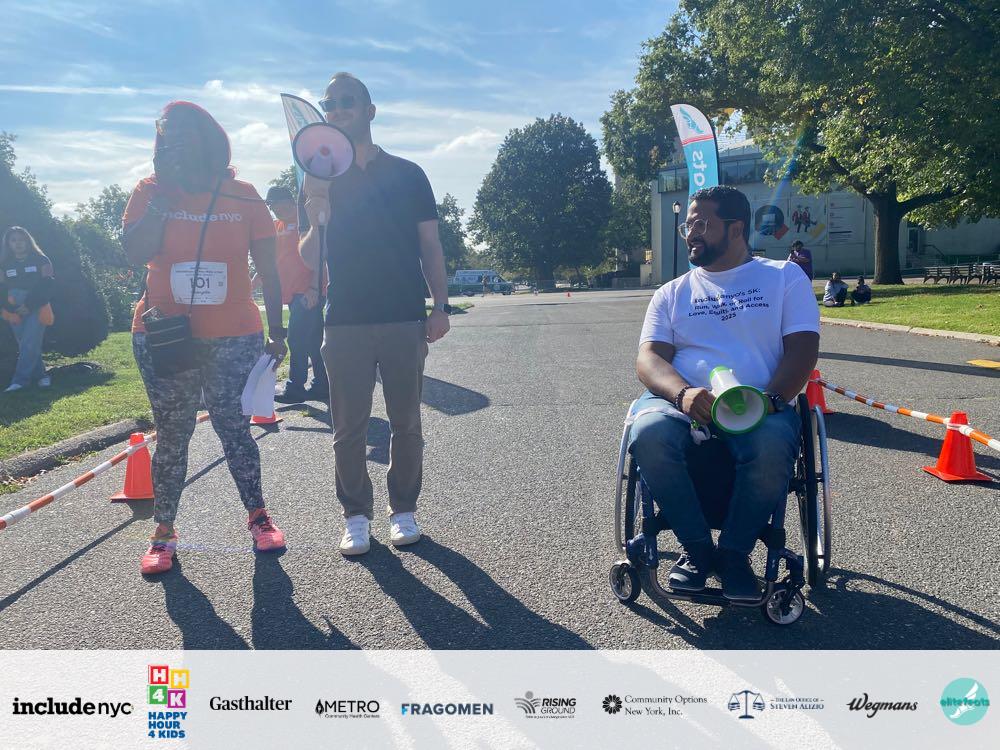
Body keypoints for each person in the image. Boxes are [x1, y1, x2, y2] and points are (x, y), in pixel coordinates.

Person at [122, 101, 288, 575]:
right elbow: (134, 251)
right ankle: (163, 532)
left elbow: (270, 270)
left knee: (234, 427)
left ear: (207, 138)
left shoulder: (244, 194)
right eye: (166, 135)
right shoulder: (149, 190)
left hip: (234, 333)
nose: (174, 142)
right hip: (164, 332)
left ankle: (258, 516)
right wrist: (163, 197)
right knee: (173, 433)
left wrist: (278, 332)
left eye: (183, 134)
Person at [630, 185, 819, 601]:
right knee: (648, 433)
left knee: (771, 445)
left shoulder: (783, 278)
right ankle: (697, 550)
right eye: (687, 226)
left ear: (736, 228)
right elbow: (649, 358)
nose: (691, 234)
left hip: (761, 404)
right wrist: (682, 394)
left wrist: (771, 400)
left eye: (701, 224)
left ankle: (734, 553)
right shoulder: (671, 293)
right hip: (683, 402)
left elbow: (803, 348)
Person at [299, 72, 451, 555]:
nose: (337, 109)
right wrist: (317, 211)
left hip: (404, 315)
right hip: (345, 318)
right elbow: (309, 256)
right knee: (348, 428)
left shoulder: (408, 174)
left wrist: (440, 305)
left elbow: (430, 245)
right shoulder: (319, 176)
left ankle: (403, 509)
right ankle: (355, 516)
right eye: (330, 103)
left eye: (347, 101)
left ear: (369, 110)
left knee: (407, 423)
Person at [254, 185, 328, 404]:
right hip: (292, 294)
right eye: (271, 206)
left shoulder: (303, 220)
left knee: (296, 339)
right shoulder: (276, 227)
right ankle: (322, 385)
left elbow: (319, 255)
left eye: (276, 204)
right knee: (314, 341)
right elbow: (270, 261)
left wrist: (314, 288)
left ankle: (295, 387)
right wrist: (253, 282)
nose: (274, 209)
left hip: (307, 292)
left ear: (288, 201)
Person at [1, 226, 54, 392]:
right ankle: (42, 376)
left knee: (29, 342)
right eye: (13, 240)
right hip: (13, 307)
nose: (18, 243)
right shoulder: (4, 263)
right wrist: (10, 307)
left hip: (37, 305)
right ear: (8, 243)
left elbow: (47, 285)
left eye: (21, 239)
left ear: (28, 241)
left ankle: (20, 381)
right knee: (25, 343)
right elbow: (1, 287)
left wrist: (29, 305)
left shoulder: (41, 260)